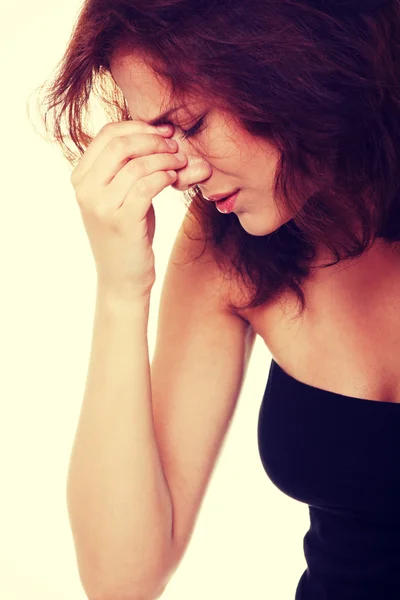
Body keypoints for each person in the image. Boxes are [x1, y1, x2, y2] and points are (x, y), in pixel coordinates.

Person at [33, 0, 400, 598]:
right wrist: (121, 288)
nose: (181, 171)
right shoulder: (225, 246)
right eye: (160, 134)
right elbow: (121, 580)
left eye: (194, 124)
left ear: (293, 65)